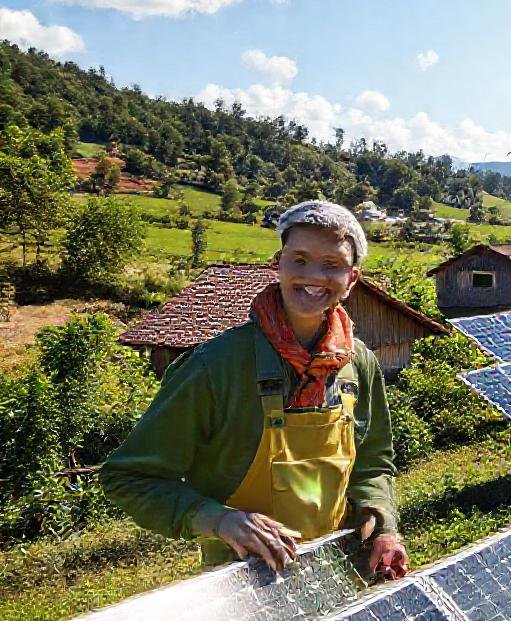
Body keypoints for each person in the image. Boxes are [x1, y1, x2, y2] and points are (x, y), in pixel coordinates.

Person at [101, 201, 408, 579]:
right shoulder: (215, 365)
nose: (314, 275)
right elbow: (128, 478)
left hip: (335, 571)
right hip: (240, 586)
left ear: (352, 279)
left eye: (332, 264)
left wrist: (383, 528)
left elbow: (373, 463)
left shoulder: (359, 363)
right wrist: (218, 519)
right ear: (278, 264)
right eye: (299, 259)